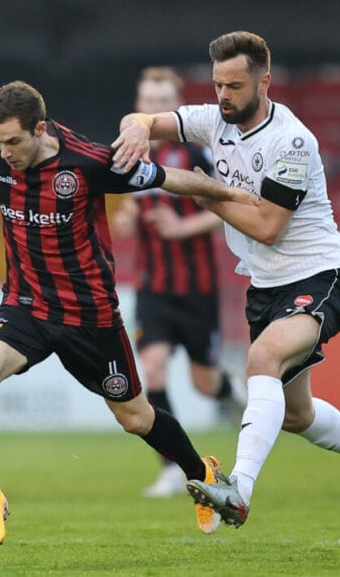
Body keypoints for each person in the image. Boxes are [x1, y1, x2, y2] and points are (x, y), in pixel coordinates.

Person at [0, 80, 260, 549]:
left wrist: (241, 198)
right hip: (26, 304)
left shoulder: (89, 163)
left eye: (15, 142)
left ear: (41, 129)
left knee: (136, 418)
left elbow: (173, 179)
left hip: (90, 317)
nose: (5, 151)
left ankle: (203, 474)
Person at [112, 31, 340, 531]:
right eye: (218, 84)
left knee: (260, 360)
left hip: (317, 275)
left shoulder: (293, 141)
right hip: (263, 286)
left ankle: (237, 488)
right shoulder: (214, 120)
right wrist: (136, 128)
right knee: (295, 415)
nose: (223, 96)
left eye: (235, 86)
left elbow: (266, 225)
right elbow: (149, 119)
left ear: (265, 80)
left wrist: (199, 189)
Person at [112, 66, 246, 498]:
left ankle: (233, 394)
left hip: (198, 288)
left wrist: (181, 227)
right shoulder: (128, 158)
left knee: (203, 383)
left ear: (174, 107)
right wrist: (127, 217)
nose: (151, 110)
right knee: (151, 369)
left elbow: (231, 205)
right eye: (145, 102)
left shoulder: (196, 154)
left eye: (159, 103)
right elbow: (125, 220)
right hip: (153, 287)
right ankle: (172, 466)